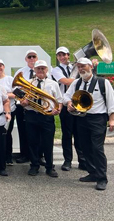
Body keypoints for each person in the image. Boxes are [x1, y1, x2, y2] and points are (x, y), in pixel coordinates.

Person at [63, 58, 114, 191]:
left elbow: (111, 102)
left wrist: (112, 119)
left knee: (97, 148)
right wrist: (69, 103)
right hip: (82, 118)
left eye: (83, 66)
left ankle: (102, 178)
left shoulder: (103, 82)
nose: (81, 69)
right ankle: (92, 173)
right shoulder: (76, 83)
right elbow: (66, 97)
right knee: (85, 147)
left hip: (98, 119)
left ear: (91, 66)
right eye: (79, 67)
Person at [20, 60, 62, 178]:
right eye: (38, 68)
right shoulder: (28, 83)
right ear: (34, 70)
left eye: (43, 68)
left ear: (47, 70)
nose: (40, 71)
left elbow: (59, 100)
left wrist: (57, 109)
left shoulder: (53, 83)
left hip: (47, 116)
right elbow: (21, 101)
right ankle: (34, 165)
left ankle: (50, 167)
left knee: (47, 143)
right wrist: (24, 102)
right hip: (31, 115)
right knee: (32, 142)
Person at [52, 46, 86, 171]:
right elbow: (65, 81)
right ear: (57, 57)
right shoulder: (56, 70)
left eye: (64, 55)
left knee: (79, 133)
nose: (62, 57)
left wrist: (90, 65)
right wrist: (81, 77)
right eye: (59, 55)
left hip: (79, 102)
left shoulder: (76, 66)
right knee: (67, 134)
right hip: (66, 104)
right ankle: (67, 161)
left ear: (68, 55)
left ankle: (82, 160)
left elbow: (89, 75)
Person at [13, 49, 38, 164]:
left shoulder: (41, 71)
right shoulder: (21, 72)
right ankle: (24, 154)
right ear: (26, 59)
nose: (32, 59)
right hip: (22, 105)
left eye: (34, 57)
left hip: (38, 105)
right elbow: (15, 89)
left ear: (37, 58)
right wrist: (23, 99)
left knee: (38, 131)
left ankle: (38, 155)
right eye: (29, 57)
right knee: (23, 130)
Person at [0, 59, 17, 165]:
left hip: (9, 109)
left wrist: (3, 94)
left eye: (0, 66)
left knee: (7, 133)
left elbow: (16, 94)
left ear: (4, 67)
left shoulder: (10, 79)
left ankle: (8, 156)